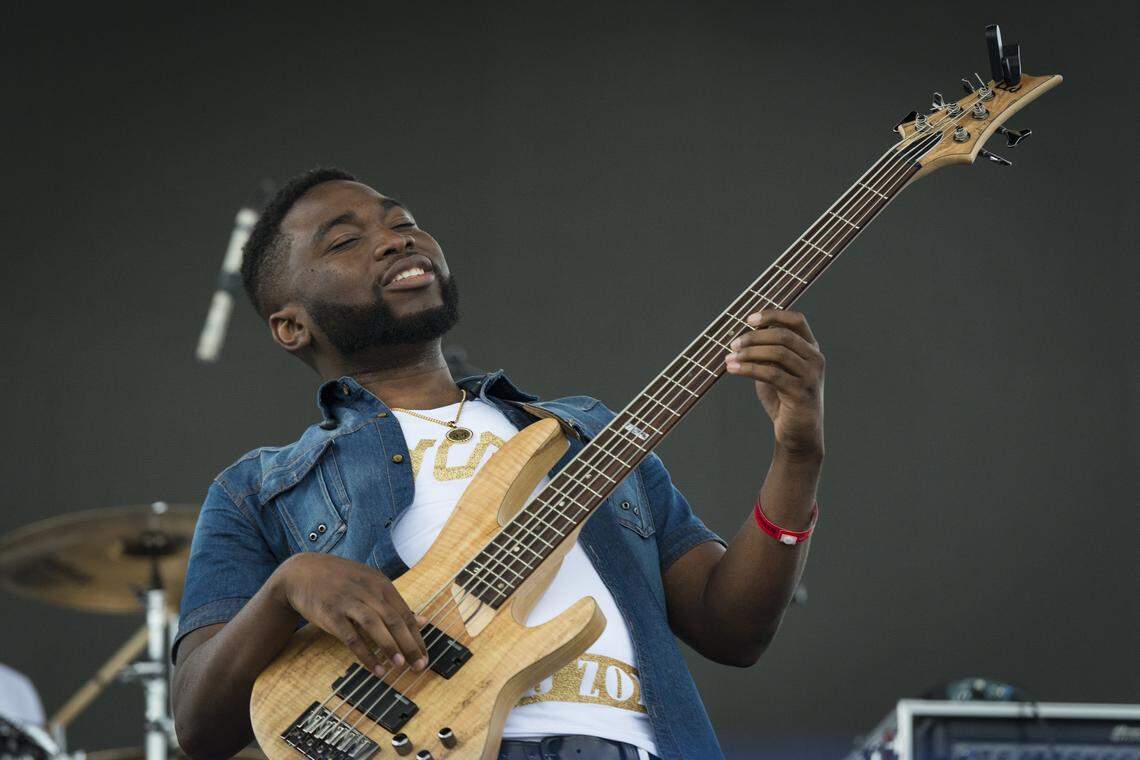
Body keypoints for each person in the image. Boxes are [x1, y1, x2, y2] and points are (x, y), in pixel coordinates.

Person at [171, 167, 825, 760]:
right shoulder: (256, 489)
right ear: (291, 326)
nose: (395, 240)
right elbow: (199, 724)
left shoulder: (588, 431)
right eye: (345, 240)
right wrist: (288, 587)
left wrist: (797, 456)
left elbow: (735, 631)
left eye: (403, 222)